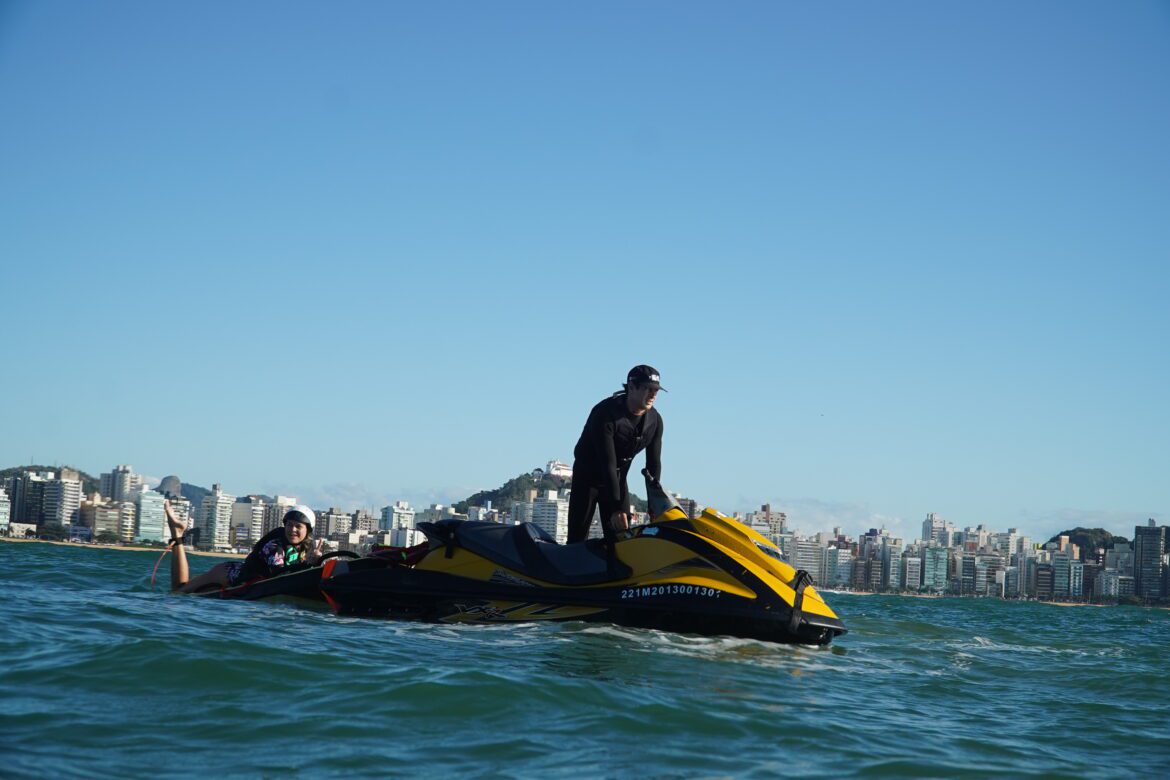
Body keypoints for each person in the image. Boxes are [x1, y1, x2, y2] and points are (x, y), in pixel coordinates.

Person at [567, 364, 664, 545]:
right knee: (577, 538)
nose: (653, 395)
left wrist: (655, 505)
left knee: (621, 540)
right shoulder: (605, 414)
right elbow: (607, 463)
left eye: (656, 390)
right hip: (588, 478)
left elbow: (653, 465)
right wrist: (617, 508)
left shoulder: (655, 421)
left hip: (617, 478)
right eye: (647, 389)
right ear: (631, 387)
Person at [165, 500, 322, 593]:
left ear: (307, 531)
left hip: (247, 580)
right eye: (289, 525)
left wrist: (316, 562)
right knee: (179, 591)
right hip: (230, 574)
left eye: (298, 527)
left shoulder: (307, 547)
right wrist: (309, 565)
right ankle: (177, 534)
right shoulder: (274, 546)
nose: (292, 530)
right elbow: (279, 573)